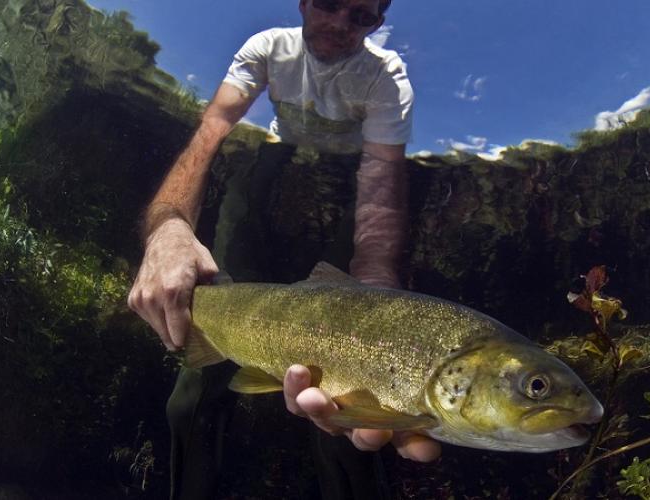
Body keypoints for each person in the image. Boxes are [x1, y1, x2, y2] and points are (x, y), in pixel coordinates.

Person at [127, 0, 440, 498]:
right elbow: (211, 133)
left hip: (346, 179)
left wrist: (379, 298)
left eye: (360, 16)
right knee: (198, 378)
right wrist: (168, 227)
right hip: (275, 159)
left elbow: (379, 185)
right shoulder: (268, 47)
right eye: (329, 3)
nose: (339, 23)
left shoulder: (386, 77)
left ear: (378, 24)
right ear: (302, 2)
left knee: (350, 409)